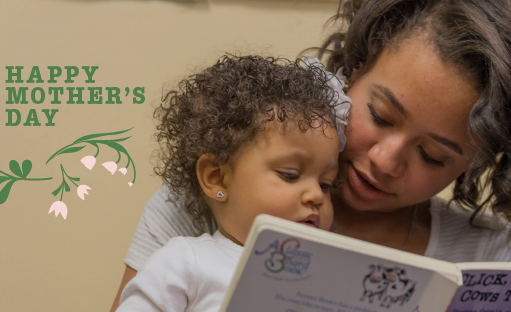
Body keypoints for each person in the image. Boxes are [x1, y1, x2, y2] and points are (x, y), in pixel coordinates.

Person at [111, 0, 511, 310]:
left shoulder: (492, 256)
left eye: (433, 155)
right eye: (380, 116)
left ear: (476, 160)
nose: (385, 160)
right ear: (356, 69)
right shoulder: (202, 203)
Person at [115, 55, 349, 312]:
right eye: (290, 175)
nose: (316, 195)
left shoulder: (330, 282)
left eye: (326, 184)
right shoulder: (187, 262)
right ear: (217, 177)